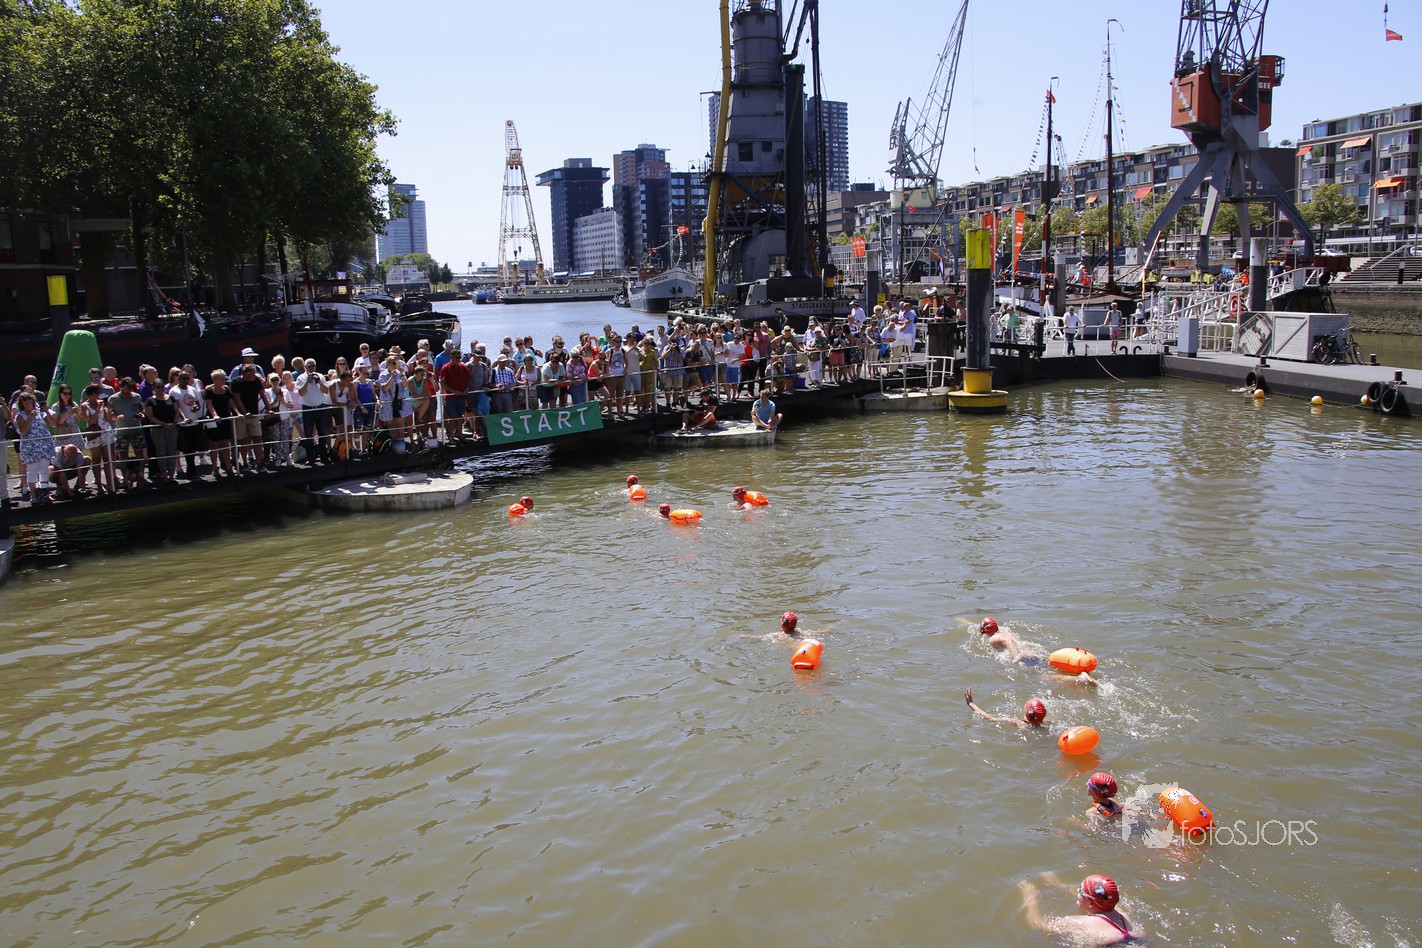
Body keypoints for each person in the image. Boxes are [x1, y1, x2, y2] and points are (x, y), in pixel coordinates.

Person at [1019, 872, 1137, 946]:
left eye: (1080, 890)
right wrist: (1059, 884)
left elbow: (1039, 926)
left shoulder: (1074, 922)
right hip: (1138, 942)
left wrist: (1030, 898)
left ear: (1090, 903)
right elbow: (1100, 900)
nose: (1077, 891)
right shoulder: (1123, 916)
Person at [963, 688, 1047, 729]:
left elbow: (991, 719)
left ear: (1027, 712)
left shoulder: (1019, 723)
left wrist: (971, 704)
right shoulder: (1047, 724)